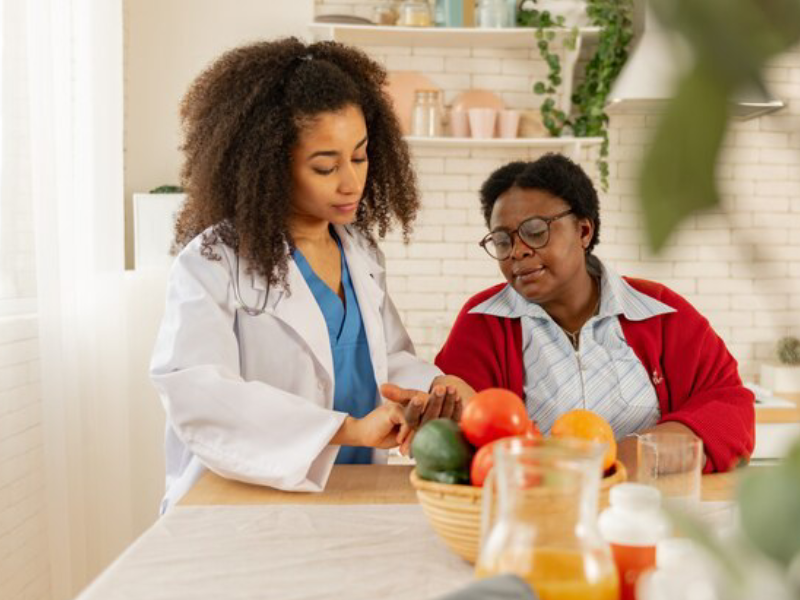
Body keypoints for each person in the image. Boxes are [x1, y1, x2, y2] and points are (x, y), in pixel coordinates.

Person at [150, 38, 471, 511]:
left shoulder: (359, 251)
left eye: (359, 157)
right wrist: (346, 429)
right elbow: (201, 397)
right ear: (269, 166)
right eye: (326, 166)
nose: (352, 182)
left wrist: (435, 387)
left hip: (352, 490)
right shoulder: (213, 262)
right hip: (246, 501)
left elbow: (386, 359)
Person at [435, 154, 754, 473]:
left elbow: (732, 412)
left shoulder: (660, 312)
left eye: (535, 231)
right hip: (537, 510)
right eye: (503, 240)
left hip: (644, 511)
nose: (517, 250)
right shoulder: (482, 323)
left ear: (584, 231)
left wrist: (627, 458)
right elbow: (452, 442)